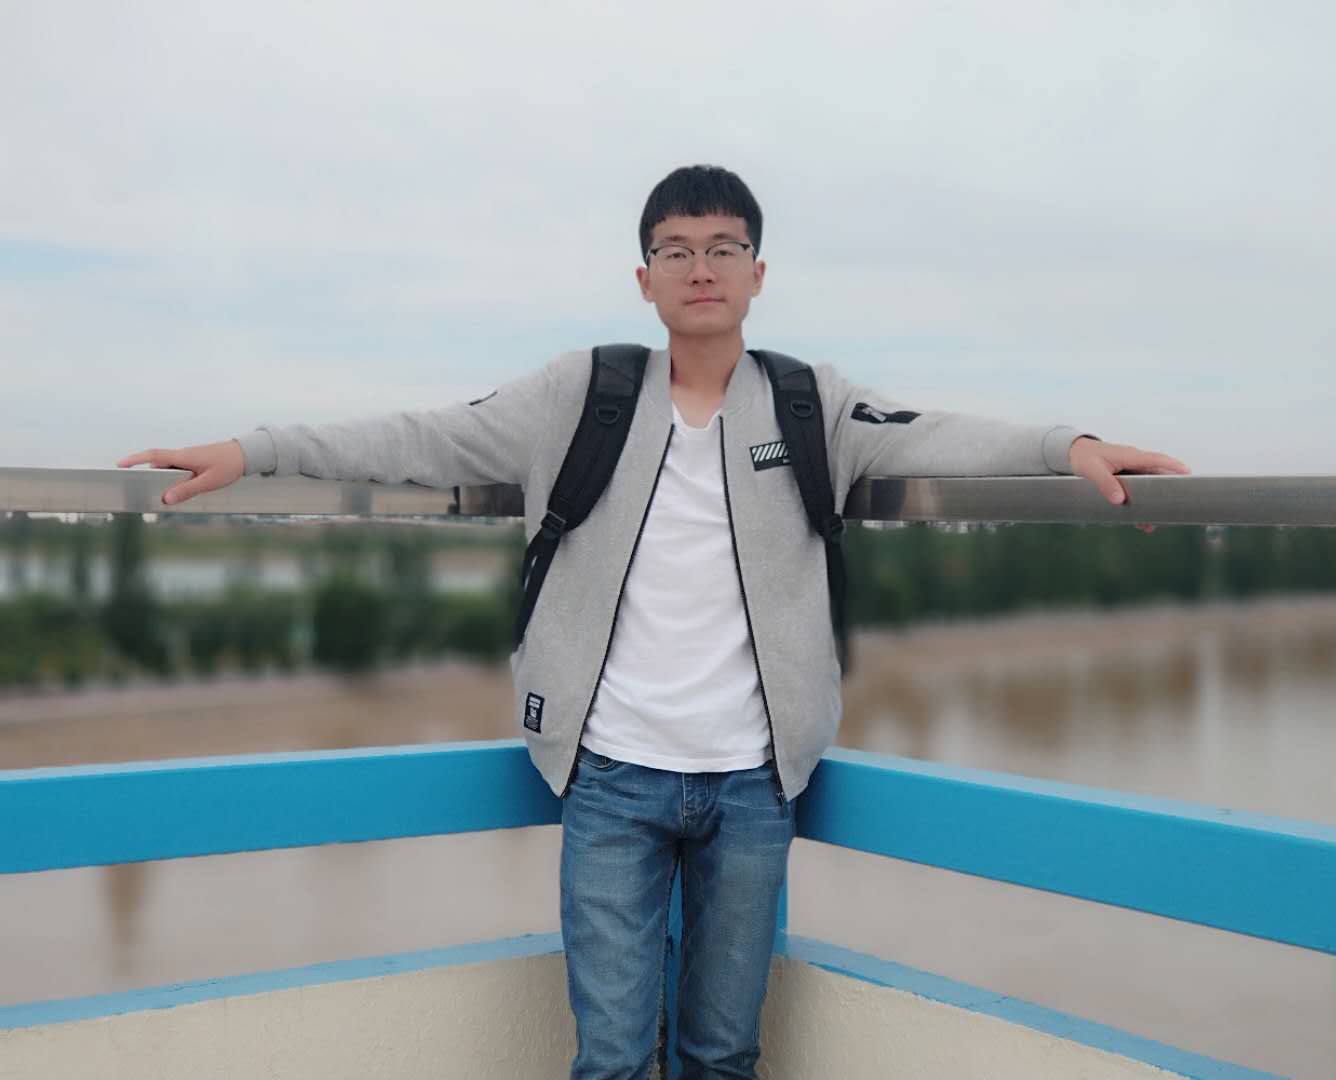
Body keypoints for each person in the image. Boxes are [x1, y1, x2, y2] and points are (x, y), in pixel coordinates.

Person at [118, 164, 1190, 1080]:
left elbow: (937, 435)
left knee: (723, 1056)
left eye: (725, 249)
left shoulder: (809, 403)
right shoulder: (579, 394)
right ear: (644, 279)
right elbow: (420, 437)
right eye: (676, 251)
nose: (701, 268)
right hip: (610, 776)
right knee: (614, 1059)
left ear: (759, 273)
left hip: (755, 782)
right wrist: (253, 452)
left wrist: (1069, 447)